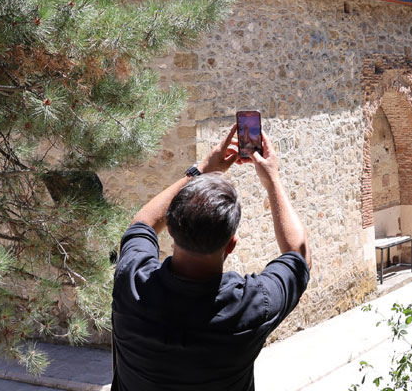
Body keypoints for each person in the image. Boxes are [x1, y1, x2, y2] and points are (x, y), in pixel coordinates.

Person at [110, 125, 311, 391]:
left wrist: (202, 168)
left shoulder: (132, 283)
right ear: (231, 244)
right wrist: (272, 179)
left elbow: (143, 223)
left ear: (170, 229)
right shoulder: (250, 306)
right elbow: (299, 255)